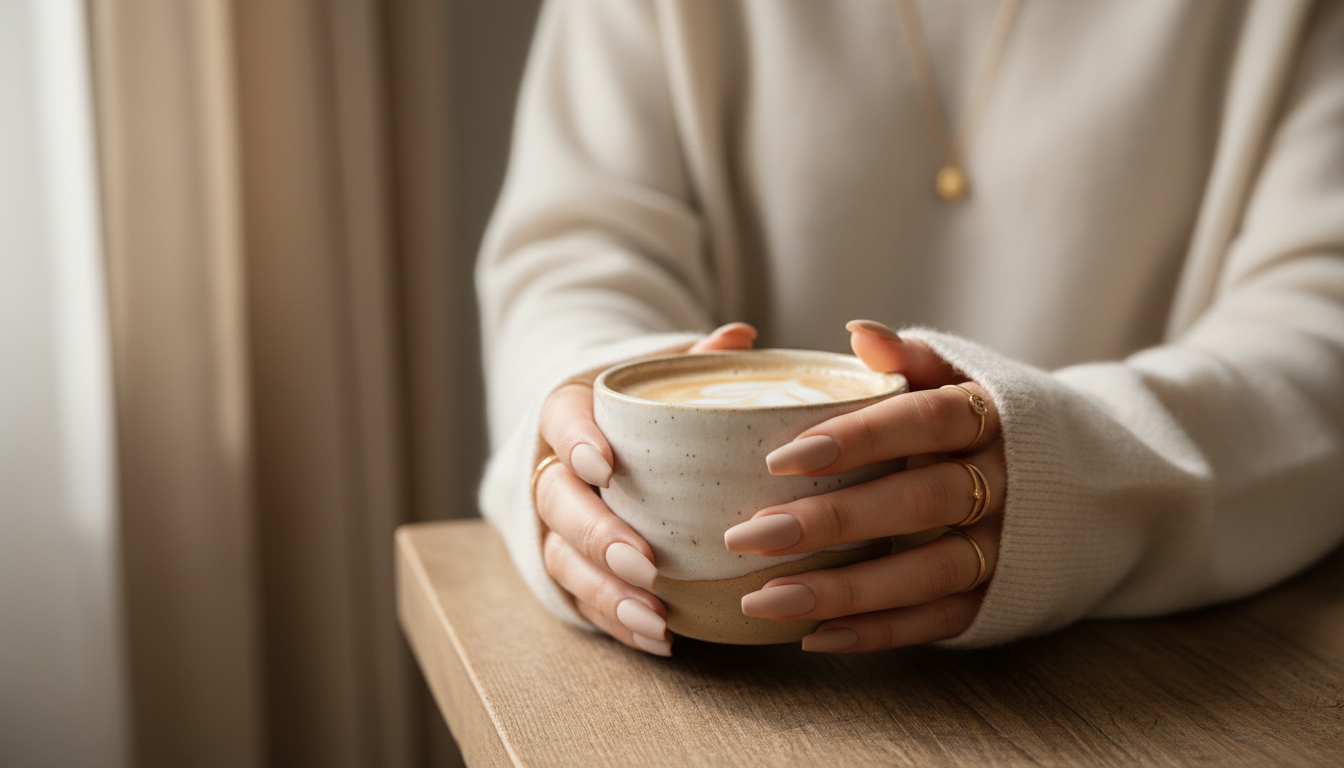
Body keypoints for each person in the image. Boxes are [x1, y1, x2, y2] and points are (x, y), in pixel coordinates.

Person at [476, 0, 1344, 657]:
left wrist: (1081, 470)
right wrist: (596, 432)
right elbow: (574, 255)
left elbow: (1321, 313)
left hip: (1170, 663)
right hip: (717, 680)